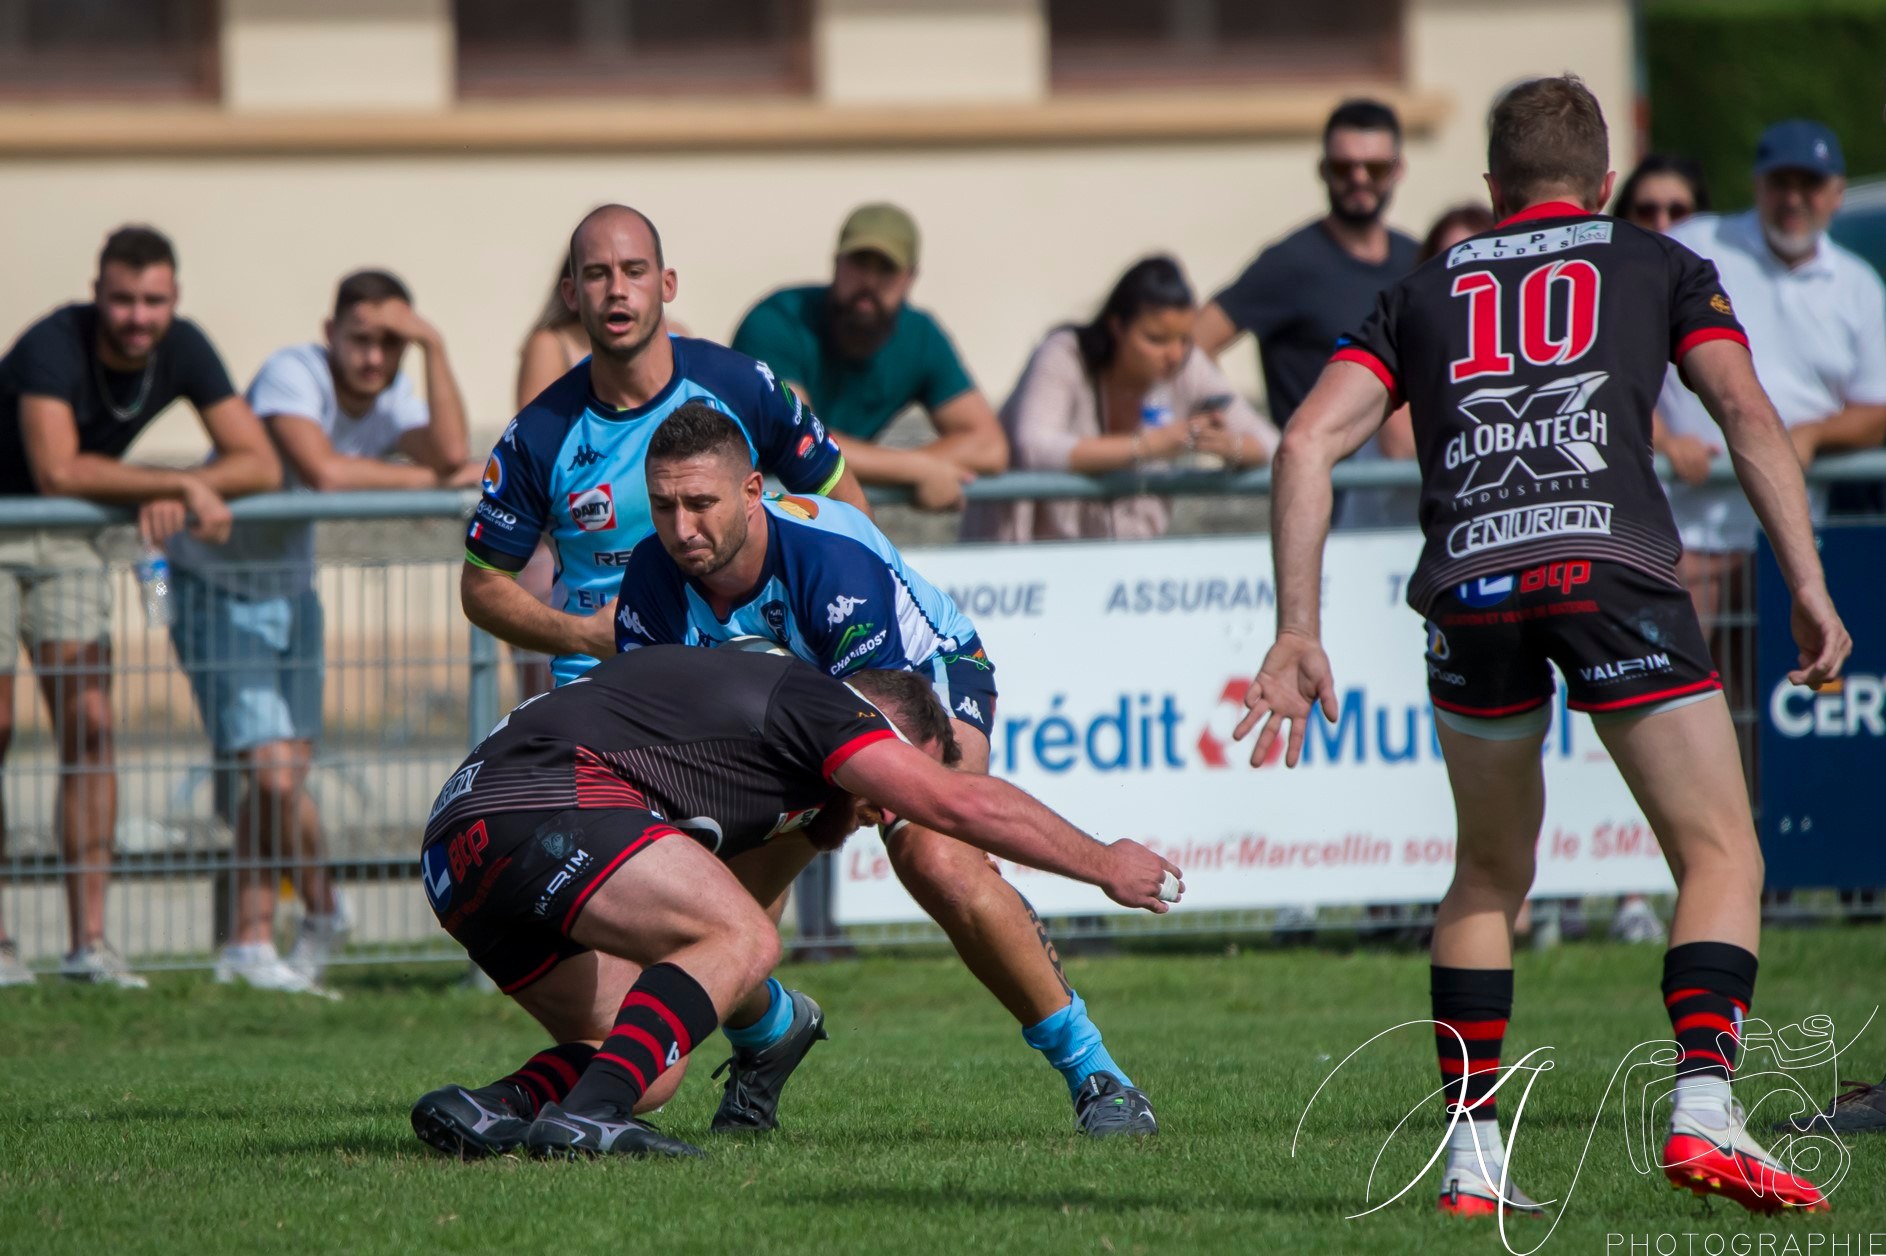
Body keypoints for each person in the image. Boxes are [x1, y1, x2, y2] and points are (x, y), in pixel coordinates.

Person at [1234, 76, 1848, 1216]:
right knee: (1719, 851)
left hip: (1470, 584)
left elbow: (1303, 442)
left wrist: (1296, 627)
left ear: (1489, 188)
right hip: (1607, 568)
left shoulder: (1415, 290)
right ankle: (1704, 1109)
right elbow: (1747, 415)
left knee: (1485, 871)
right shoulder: (1657, 262)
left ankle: (1471, 1160)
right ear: (1604, 183)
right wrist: (1805, 581)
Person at [609, 403, 1164, 1137]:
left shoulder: (830, 562)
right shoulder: (651, 577)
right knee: (702, 907)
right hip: (786, 728)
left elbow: (877, 742)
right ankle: (770, 1032)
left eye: (701, 504)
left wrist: (1099, 863)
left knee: (939, 858)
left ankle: (1099, 1076)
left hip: (921, 687)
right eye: (664, 506)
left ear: (751, 493)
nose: (681, 529)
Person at [408, 645, 1183, 1159]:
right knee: (745, 938)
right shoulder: (826, 707)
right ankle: (593, 1119)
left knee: (644, 1058)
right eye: (893, 787)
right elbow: (960, 806)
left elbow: (700, 934)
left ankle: (493, 1106)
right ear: (883, 731)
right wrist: (1103, 861)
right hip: (541, 798)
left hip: (456, 849)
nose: (886, 814)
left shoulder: (758, 742)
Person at [167, 269, 479, 996]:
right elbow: (325, 472)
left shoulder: (399, 384)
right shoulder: (292, 374)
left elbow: (451, 444)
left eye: (391, 343)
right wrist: (434, 483)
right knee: (275, 773)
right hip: (215, 584)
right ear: (329, 333)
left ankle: (247, 943)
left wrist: (431, 344)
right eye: (362, 340)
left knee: (276, 780)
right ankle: (326, 908)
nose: (375, 358)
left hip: (291, 590)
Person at [0, 225, 280, 988]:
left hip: (72, 541)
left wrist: (185, 483)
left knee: (90, 730)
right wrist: (174, 484)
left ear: (173, 299)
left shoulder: (183, 344)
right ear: (97, 294)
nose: (137, 316)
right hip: (9, 521)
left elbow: (256, 459)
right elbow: (55, 469)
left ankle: (88, 947)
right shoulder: (50, 344)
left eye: (153, 300)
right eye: (122, 299)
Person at [460, 203, 871, 692]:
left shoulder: (741, 384)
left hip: (740, 681)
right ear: (571, 293)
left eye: (634, 271)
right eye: (596, 275)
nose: (617, 290)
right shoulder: (538, 432)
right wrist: (584, 634)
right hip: (604, 691)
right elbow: (482, 587)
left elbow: (846, 509)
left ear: (667, 284)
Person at [1655, 122, 1886, 742]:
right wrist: (1659, 437)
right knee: (1674, 724)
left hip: (1788, 545)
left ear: (1836, 193)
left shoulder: (1859, 286)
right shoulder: (1697, 244)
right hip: (1684, 535)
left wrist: (1813, 434)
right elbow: (1623, 357)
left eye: (1809, 184)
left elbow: (1879, 406)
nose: (1793, 198)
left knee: (1774, 731)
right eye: (1779, 182)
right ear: (1756, 186)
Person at [1197, 99, 1421, 531]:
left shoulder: (1417, 260)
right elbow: (1191, 346)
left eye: (1373, 168)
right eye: (1343, 168)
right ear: (1323, 170)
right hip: (1322, 509)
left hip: (1408, 506)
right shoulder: (1291, 263)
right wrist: (1250, 434)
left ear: (1397, 170)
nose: (1358, 179)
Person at [960, 256, 1276, 542]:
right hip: (1025, 564)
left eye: (1184, 339)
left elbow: (1274, 444)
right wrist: (1148, 446)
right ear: (1117, 327)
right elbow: (1035, 446)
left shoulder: (1188, 366)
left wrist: (1229, 446)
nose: (1174, 354)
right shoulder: (1064, 354)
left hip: (1124, 574)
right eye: (1156, 339)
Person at [730, 203, 1008, 511]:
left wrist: (920, 470)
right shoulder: (777, 321)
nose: (870, 282)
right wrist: (916, 470)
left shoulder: (919, 336)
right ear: (836, 263)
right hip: (757, 511)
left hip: (828, 509)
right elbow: (799, 438)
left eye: (886, 268)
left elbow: (989, 446)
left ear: (910, 277)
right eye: (860, 262)